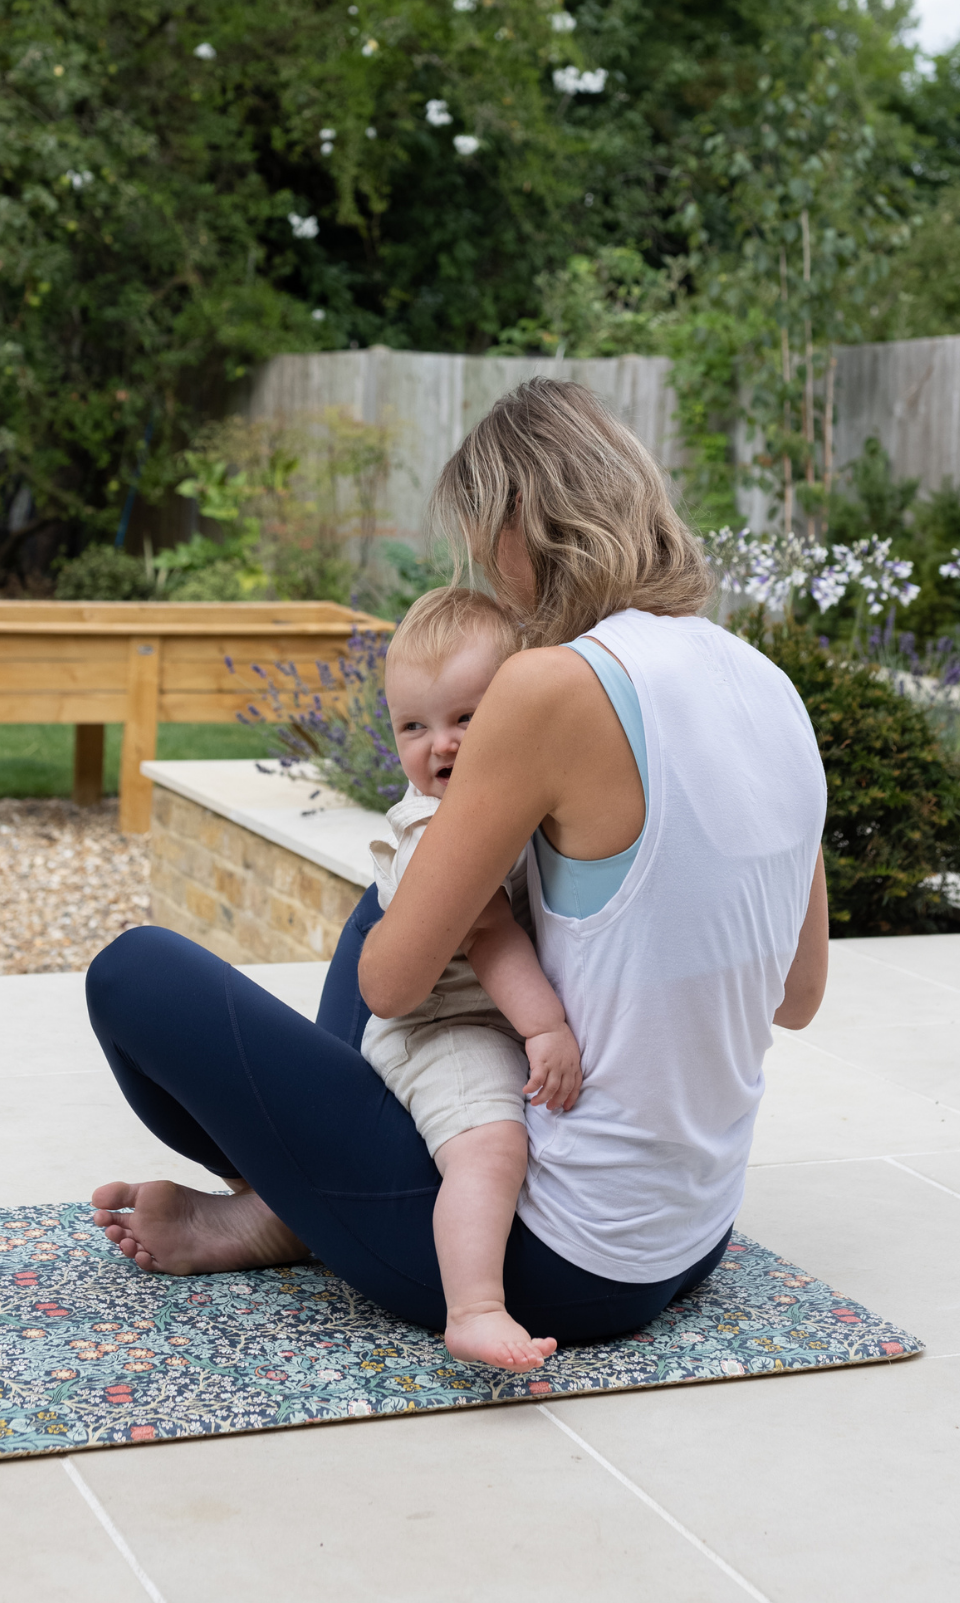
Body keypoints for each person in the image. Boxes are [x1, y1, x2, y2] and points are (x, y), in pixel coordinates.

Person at [87, 378, 829, 1361]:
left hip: (552, 1259)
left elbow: (391, 985)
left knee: (135, 973)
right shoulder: (773, 687)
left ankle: (297, 1205)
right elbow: (798, 997)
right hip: (689, 1240)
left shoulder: (550, 685)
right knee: (418, 878)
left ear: (522, 520)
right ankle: (300, 1206)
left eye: (483, 539)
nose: (486, 569)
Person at [364, 585, 582, 1368]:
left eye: (465, 717)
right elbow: (488, 933)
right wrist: (544, 1026)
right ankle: (476, 1308)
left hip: (474, 1012)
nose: (441, 745)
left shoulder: (496, 800)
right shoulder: (437, 825)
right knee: (491, 1146)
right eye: (414, 727)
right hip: (442, 1026)